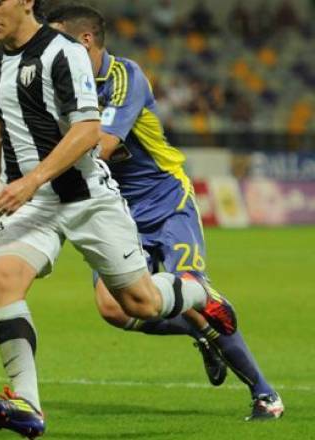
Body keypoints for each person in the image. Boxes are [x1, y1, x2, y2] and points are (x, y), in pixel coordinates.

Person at [0, 1, 237, 438]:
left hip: (86, 197)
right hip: (31, 202)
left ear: (26, 2)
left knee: (141, 303)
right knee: (4, 280)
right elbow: (7, 128)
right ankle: (27, 403)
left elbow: (88, 130)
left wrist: (32, 180)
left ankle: (196, 291)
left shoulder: (65, 52)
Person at [45, 4, 283, 421]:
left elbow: (102, 146)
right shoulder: (60, 85)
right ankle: (202, 332)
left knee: (190, 288)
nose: (51, 51)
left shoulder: (124, 77)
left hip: (165, 201)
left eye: (58, 41)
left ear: (85, 40)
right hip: (115, 209)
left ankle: (265, 395)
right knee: (115, 309)